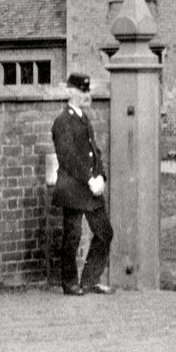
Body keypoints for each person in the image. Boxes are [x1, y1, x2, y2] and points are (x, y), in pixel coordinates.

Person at [51, 72, 113, 295]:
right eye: (82, 91)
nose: (86, 95)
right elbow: (68, 157)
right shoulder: (62, 121)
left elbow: (94, 152)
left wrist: (100, 176)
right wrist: (89, 179)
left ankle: (89, 280)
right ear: (70, 92)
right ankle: (69, 283)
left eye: (87, 91)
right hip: (73, 188)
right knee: (73, 236)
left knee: (104, 232)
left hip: (90, 188)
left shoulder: (83, 119)